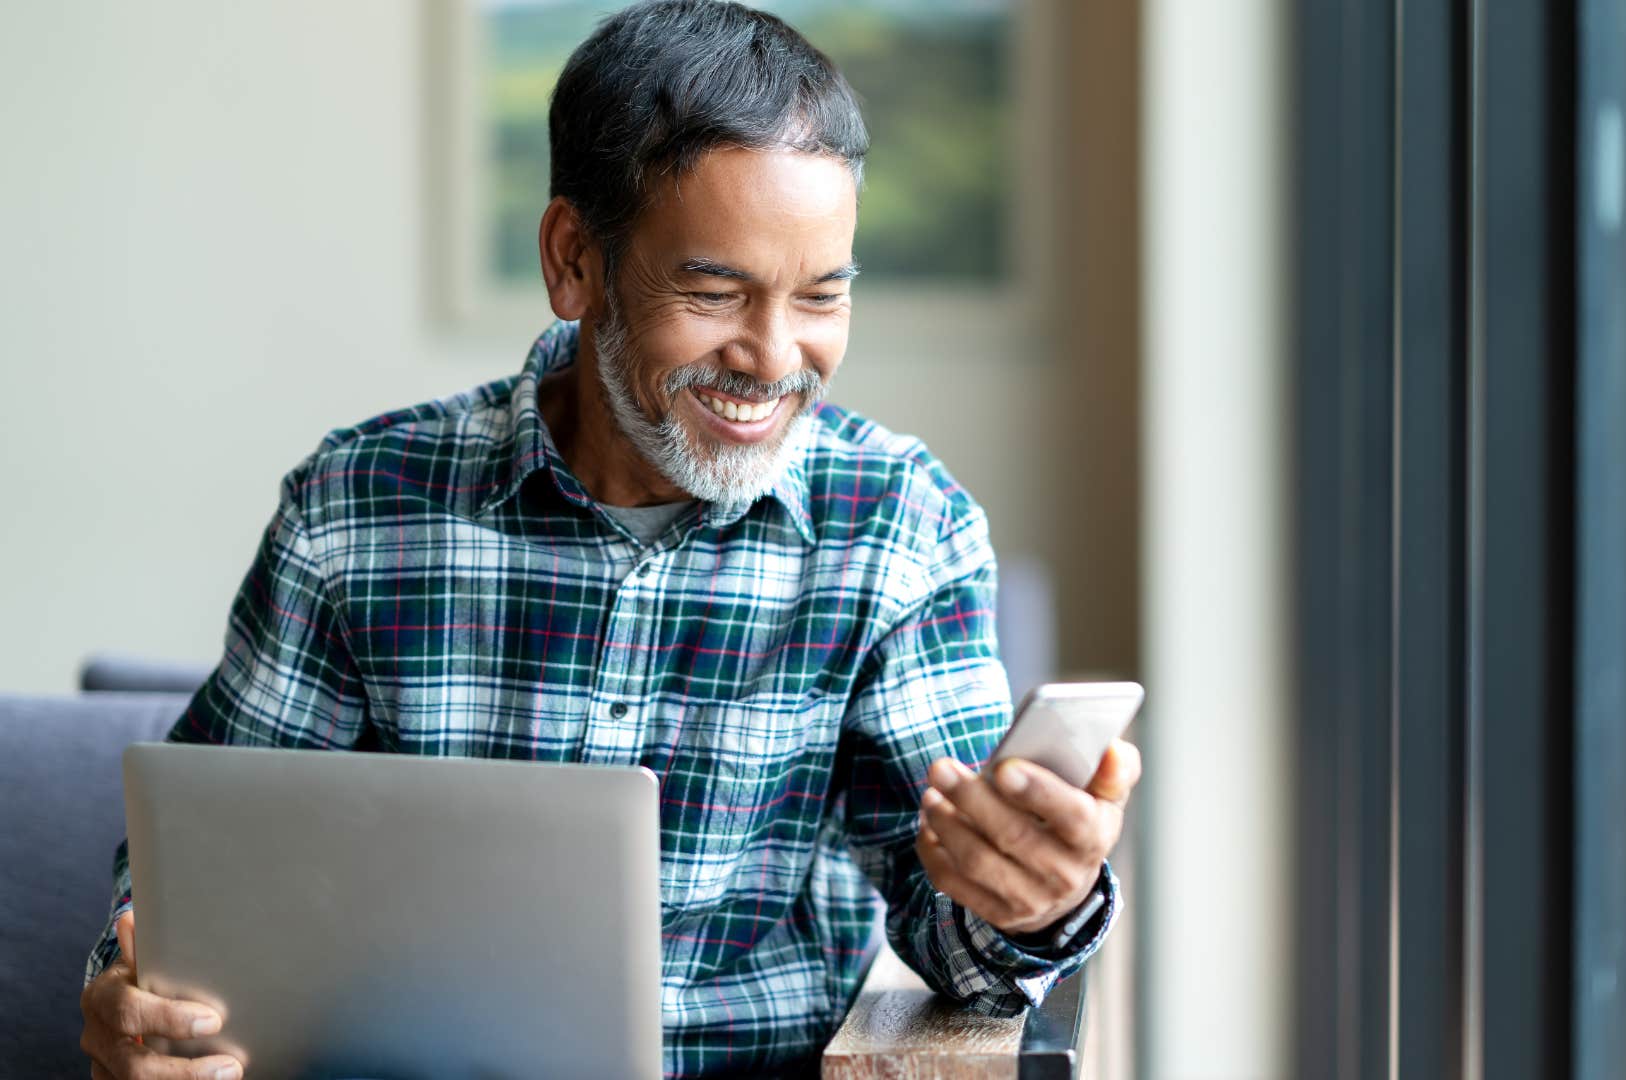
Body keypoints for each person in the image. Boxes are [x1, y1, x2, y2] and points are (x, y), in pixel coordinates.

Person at [76, 2, 1140, 1077]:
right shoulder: (356, 512)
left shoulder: (901, 528)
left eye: (821, 295)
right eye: (714, 290)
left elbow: (958, 946)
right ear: (574, 259)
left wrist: (1037, 898)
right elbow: (201, 879)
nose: (773, 359)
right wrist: (135, 997)